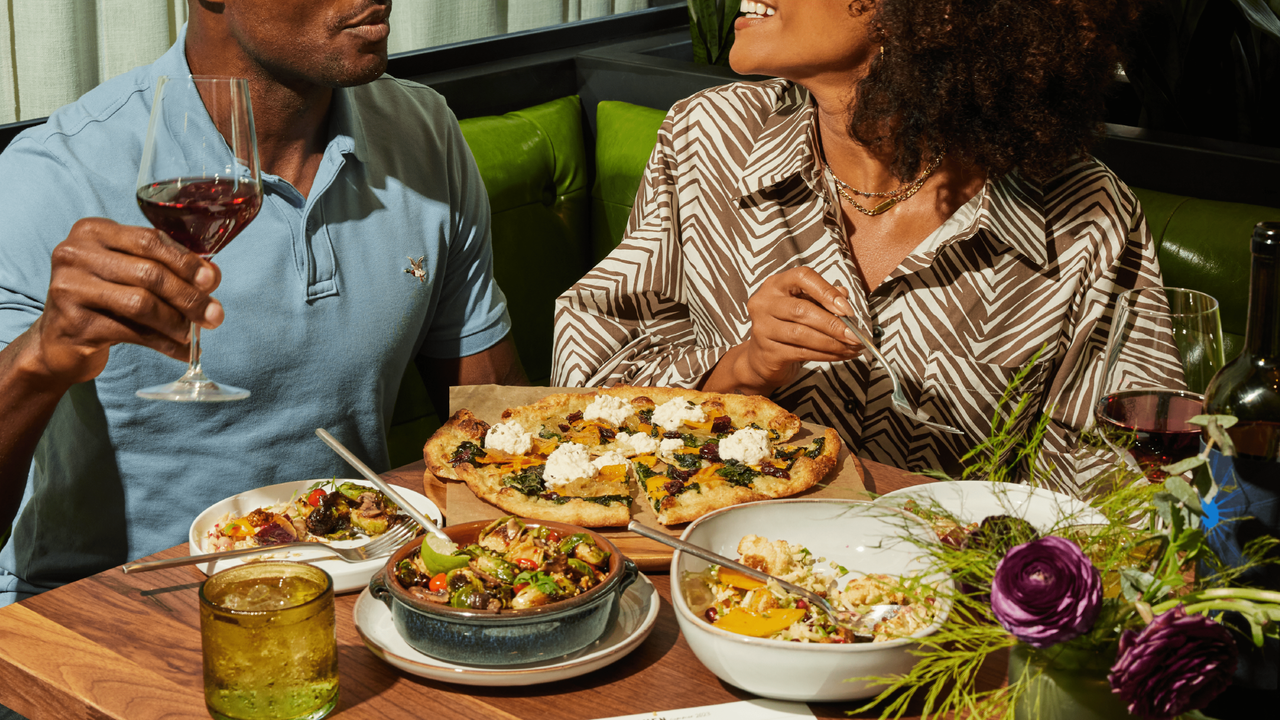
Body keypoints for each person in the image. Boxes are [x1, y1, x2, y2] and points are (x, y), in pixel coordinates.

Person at [0, 0, 525, 609]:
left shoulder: (423, 132)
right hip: (112, 619)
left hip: (354, 592)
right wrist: (39, 358)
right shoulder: (54, 176)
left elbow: (495, 432)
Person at [552, 0, 1179, 493]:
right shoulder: (709, 138)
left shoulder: (1083, 216)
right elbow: (586, 395)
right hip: (717, 581)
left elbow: (1114, 491)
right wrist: (745, 370)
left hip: (944, 621)